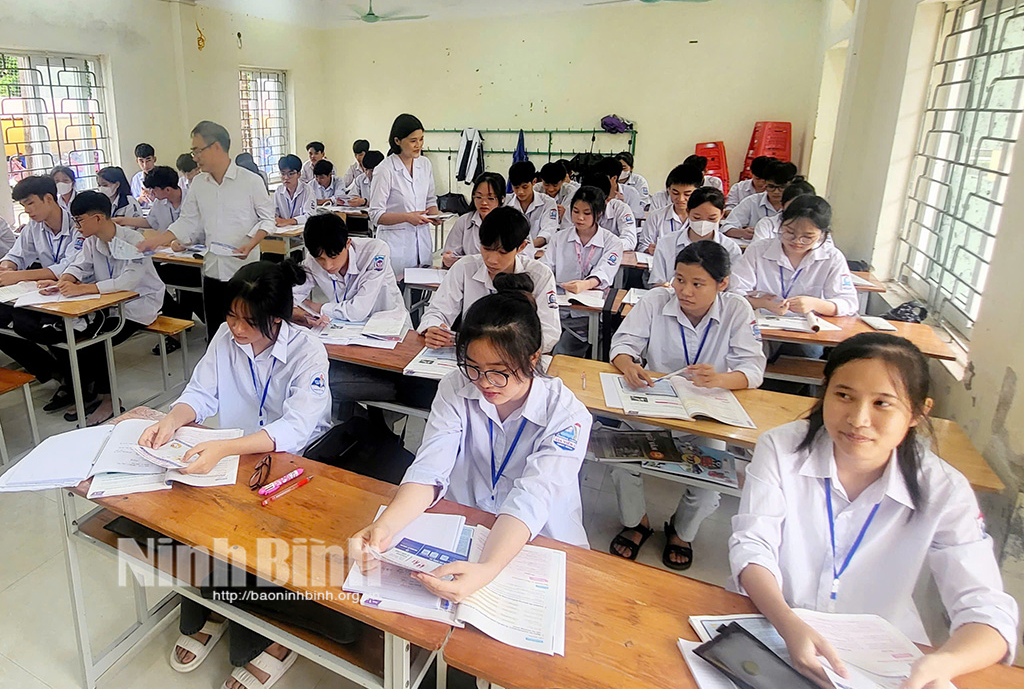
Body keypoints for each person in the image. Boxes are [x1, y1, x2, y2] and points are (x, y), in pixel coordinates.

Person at [729, 334, 1018, 689]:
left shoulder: (944, 490)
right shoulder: (781, 449)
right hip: (772, 627)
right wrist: (787, 621)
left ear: (918, 412)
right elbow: (752, 545)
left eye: (882, 403)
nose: (858, 419)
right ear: (825, 392)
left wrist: (942, 664)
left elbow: (986, 609)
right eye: (843, 395)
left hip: (880, 665)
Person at [140, 261, 340, 689]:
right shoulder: (226, 338)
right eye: (231, 316)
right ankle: (213, 605)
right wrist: (172, 421)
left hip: (297, 460)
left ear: (278, 318)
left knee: (261, 538)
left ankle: (274, 639)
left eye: (250, 321)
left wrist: (225, 447)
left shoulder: (308, 351)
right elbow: (200, 391)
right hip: (235, 453)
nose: (237, 328)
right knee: (200, 523)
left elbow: (298, 427)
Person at [351, 277, 592, 605]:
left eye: (498, 371)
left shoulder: (566, 415)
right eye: (473, 367)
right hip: (465, 526)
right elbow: (430, 467)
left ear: (533, 359)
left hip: (538, 541)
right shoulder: (455, 387)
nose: (484, 383)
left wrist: (488, 567)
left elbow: (533, 496)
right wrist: (385, 526)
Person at [609, 241, 766, 569]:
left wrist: (721, 379)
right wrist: (629, 365)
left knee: (713, 477)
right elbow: (623, 343)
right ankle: (637, 523)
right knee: (622, 462)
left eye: (698, 283)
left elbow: (753, 369)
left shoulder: (737, 310)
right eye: (680, 279)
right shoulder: (655, 301)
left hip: (705, 411)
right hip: (655, 403)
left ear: (722, 284)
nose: (685, 291)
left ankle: (681, 530)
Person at [32, 191, 166, 424]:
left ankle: (109, 400)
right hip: (108, 305)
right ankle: (88, 393)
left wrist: (84, 289)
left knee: (97, 341)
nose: (76, 226)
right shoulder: (93, 241)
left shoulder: (133, 241)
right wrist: (64, 281)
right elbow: (79, 265)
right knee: (74, 337)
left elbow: (128, 282)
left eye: (79, 220)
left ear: (98, 218)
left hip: (139, 304)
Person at [137, 120, 275, 339]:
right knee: (217, 335)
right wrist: (160, 239)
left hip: (244, 273)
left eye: (197, 150)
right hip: (212, 270)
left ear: (216, 147)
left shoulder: (250, 181)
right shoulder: (199, 184)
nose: (195, 157)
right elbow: (188, 221)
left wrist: (251, 242)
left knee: (248, 333)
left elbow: (268, 220)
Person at [292, 213, 410, 421]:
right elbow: (290, 297)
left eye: (333, 256)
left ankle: (376, 427)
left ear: (348, 243)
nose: (328, 265)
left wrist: (316, 307)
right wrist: (301, 311)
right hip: (345, 337)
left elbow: (358, 311)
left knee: (384, 397)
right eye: (320, 259)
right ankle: (359, 425)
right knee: (325, 380)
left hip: (388, 334)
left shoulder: (376, 251)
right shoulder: (313, 261)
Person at [422, 206, 560, 354]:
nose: (492, 260)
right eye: (486, 249)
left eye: (502, 252)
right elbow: (438, 310)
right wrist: (434, 328)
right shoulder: (465, 267)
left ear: (521, 247)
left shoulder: (540, 275)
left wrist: (506, 348)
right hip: (468, 354)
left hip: (515, 357)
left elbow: (549, 332)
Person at [0, 176, 82, 409]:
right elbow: (18, 254)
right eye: (23, 205)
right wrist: (7, 266)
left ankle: (79, 381)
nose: (27, 211)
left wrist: (18, 276)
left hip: (75, 291)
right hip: (44, 293)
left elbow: (67, 267)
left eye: (30, 203)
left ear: (48, 198)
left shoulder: (78, 224)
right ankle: (54, 372)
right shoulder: (35, 227)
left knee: (36, 326)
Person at [732, 195, 858, 320]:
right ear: (780, 225)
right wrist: (760, 303)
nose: (797, 241)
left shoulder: (832, 258)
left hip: (810, 330)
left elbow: (849, 303)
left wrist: (815, 304)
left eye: (807, 237)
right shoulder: (758, 250)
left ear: (823, 234)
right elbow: (734, 292)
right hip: (761, 326)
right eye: (790, 232)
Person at [540, 186, 623, 356]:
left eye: (586, 213)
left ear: (598, 213)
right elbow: (545, 268)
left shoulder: (612, 242)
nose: (579, 217)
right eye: (576, 211)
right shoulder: (559, 238)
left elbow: (605, 271)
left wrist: (586, 284)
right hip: (557, 307)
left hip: (589, 314)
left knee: (563, 352)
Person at [368, 114, 441, 279]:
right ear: (397, 141)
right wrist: (407, 217)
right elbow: (375, 214)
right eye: (413, 140)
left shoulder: (425, 164)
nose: (419, 145)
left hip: (421, 242)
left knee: (420, 298)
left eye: (421, 139)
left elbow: (430, 199)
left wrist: (435, 214)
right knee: (397, 297)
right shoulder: (385, 170)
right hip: (395, 246)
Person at [649, 187, 742, 286]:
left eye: (711, 218)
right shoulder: (667, 243)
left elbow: (733, 288)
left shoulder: (731, 249)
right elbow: (657, 282)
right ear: (688, 212)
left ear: (721, 214)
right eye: (697, 217)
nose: (703, 223)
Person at [637, 163, 706, 255]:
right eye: (675, 193)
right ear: (668, 189)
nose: (681, 199)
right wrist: (648, 249)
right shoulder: (657, 216)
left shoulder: (704, 219)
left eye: (687, 194)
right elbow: (643, 245)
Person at [722, 160, 798, 241]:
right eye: (771, 187)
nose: (776, 192)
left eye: (782, 187)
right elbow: (726, 226)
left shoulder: (797, 205)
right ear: (765, 184)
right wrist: (742, 233)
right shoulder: (752, 201)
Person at [442, 172, 505, 266]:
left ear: (502, 199)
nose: (483, 202)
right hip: (468, 275)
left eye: (490, 198)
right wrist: (448, 260)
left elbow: (523, 257)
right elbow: (451, 252)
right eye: (479, 197)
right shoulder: (464, 221)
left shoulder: (513, 222)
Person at [504, 161, 558, 249]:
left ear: (534, 182)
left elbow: (548, 232)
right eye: (516, 187)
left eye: (525, 187)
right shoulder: (505, 203)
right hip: (510, 251)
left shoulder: (548, 203)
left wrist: (527, 247)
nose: (520, 192)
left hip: (537, 252)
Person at [576, 173, 637, 251]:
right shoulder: (575, 208)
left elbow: (630, 240)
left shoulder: (620, 208)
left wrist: (602, 246)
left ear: (608, 200)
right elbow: (566, 235)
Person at [751, 178, 816, 243]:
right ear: (782, 205)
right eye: (793, 206)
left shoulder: (820, 228)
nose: (798, 211)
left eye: (804, 206)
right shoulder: (767, 225)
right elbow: (758, 251)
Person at [273, 154, 316, 227]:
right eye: (283, 174)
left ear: (299, 174)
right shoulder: (279, 191)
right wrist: (276, 219)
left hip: (302, 232)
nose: (286, 177)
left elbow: (310, 216)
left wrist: (288, 221)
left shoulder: (307, 190)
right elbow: (273, 213)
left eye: (291, 174)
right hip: (283, 231)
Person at [597, 156, 644, 220]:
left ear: (614, 178)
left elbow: (638, 218)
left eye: (603, 178)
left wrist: (624, 206)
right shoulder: (595, 191)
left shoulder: (631, 193)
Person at [130, 143, 156, 207]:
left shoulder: (164, 175)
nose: (145, 165)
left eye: (148, 160)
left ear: (154, 159)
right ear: (137, 161)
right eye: (141, 161)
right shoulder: (136, 178)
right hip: (143, 213)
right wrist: (141, 198)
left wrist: (155, 198)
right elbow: (133, 202)